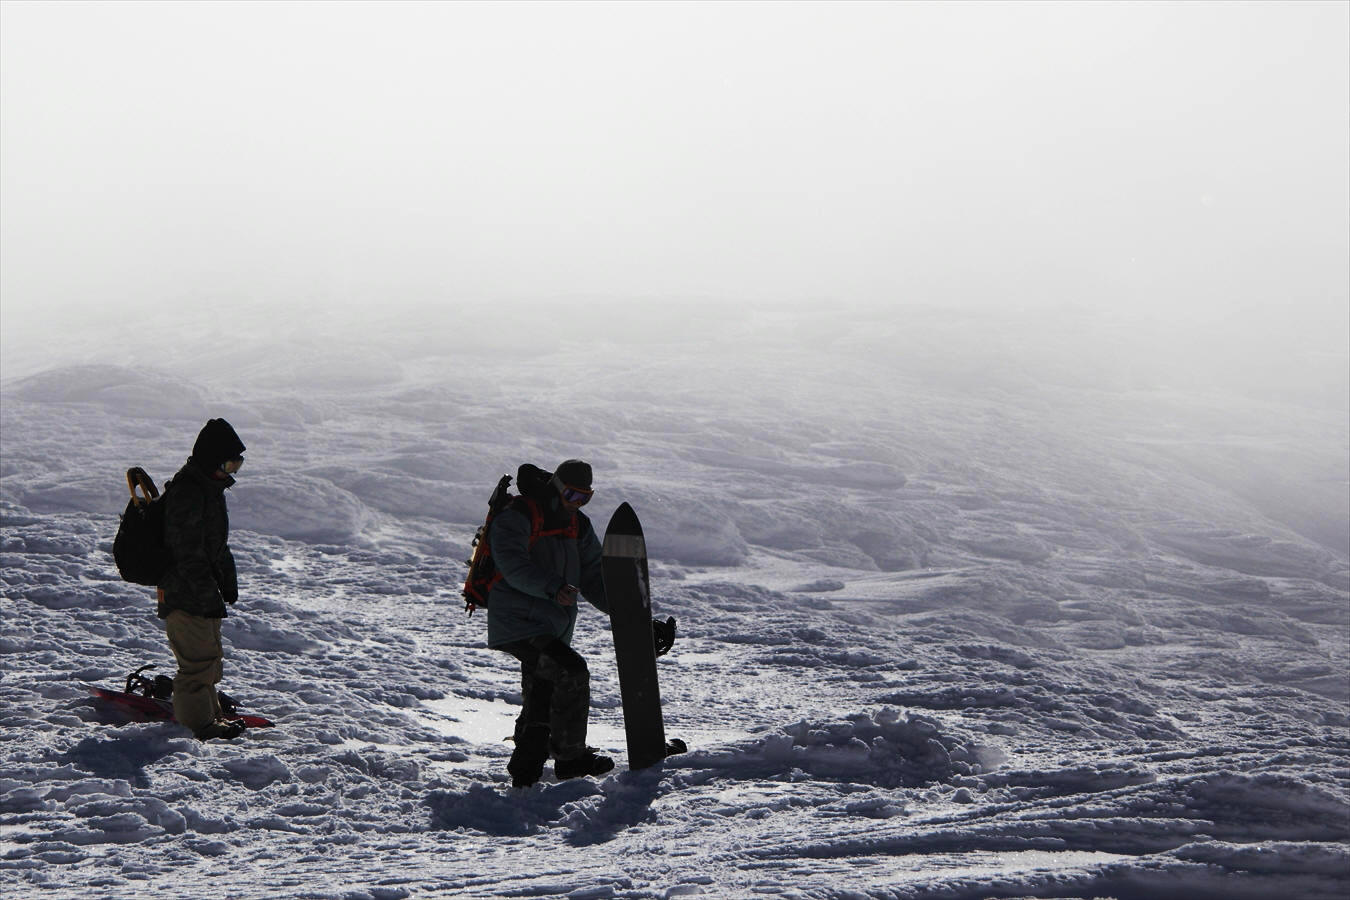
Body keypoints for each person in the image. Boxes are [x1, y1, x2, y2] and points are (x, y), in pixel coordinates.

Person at [486, 459, 613, 786]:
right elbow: (512, 564)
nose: (577, 504)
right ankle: (570, 758)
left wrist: (624, 610)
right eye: (572, 495)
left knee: (543, 689)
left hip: (551, 627)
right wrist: (552, 587)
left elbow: (595, 575)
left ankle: (525, 770)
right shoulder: (519, 515)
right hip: (517, 625)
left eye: (586, 497)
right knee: (569, 671)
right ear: (557, 486)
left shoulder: (578, 526)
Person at [157, 418, 247, 741]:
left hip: (202, 592)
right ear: (211, 459)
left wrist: (226, 575)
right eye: (228, 463)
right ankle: (199, 726)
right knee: (196, 665)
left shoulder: (209, 489)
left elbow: (212, 544)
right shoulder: (189, 492)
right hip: (186, 594)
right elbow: (187, 553)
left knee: (209, 659)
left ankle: (211, 716)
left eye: (238, 463)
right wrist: (208, 590)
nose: (232, 471)